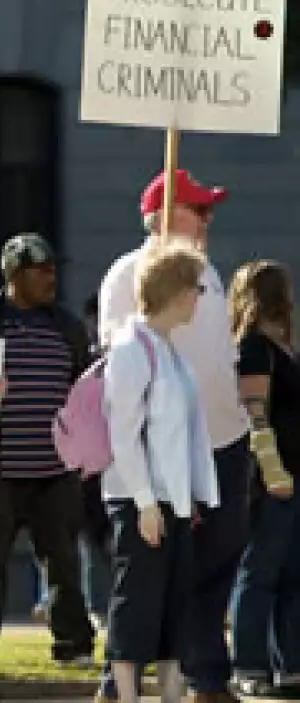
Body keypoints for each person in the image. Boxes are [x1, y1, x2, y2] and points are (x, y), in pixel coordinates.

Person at [98, 170, 251, 703]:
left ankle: (203, 672)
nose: (208, 220)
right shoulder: (126, 274)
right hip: (164, 455)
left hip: (223, 440)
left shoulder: (206, 270)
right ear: (165, 216)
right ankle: (121, 682)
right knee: (148, 576)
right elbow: (124, 371)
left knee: (216, 561)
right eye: (198, 210)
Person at [0, 233, 95, 665]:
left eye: (52, 269)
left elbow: (82, 392)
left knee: (63, 561)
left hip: (55, 470)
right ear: (13, 274)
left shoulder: (66, 327)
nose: (51, 278)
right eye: (40, 269)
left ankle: (74, 645)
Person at [101, 242, 220, 703]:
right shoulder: (132, 349)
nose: (199, 299)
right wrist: (146, 502)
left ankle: (170, 693)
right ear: (176, 291)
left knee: (175, 605)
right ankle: (127, 694)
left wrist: (187, 500)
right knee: (137, 601)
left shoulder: (169, 351)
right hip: (140, 499)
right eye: (197, 289)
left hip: (175, 500)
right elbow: (124, 434)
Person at [227, 260, 300, 696]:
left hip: (295, 479)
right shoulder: (255, 348)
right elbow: (255, 413)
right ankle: (249, 666)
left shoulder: (284, 348)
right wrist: (273, 471)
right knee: (259, 573)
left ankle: (290, 664)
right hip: (273, 482)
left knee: (293, 575)